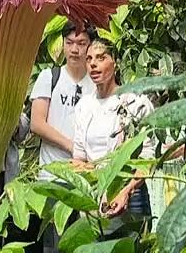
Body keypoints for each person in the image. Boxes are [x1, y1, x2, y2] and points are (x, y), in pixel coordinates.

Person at [71, 39, 154, 221]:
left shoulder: (135, 103)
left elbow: (147, 159)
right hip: (94, 196)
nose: (93, 64)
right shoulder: (83, 106)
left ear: (115, 62)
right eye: (89, 59)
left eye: (101, 58)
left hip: (131, 195)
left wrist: (126, 190)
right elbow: (78, 158)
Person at [29, 23, 94, 181]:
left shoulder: (97, 84)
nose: (74, 49)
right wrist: (72, 147)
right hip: (52, 176)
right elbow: (37, 123)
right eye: (69, 42)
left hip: (87, 177)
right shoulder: (49, 77)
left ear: (90, 47)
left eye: (81, 44)